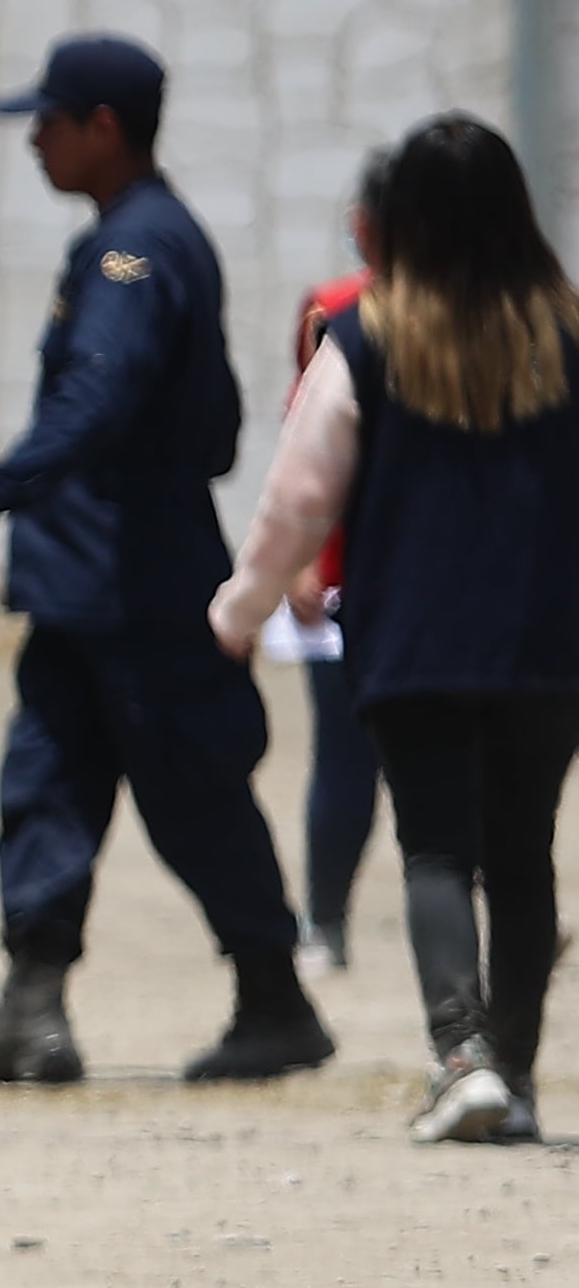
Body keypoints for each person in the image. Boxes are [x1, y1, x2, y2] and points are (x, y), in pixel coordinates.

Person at [0, 34, 322, 1087]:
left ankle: (273, 998)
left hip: (134, 583)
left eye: (49, 120)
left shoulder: (135, 252)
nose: (34, 140)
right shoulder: (149, 239)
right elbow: (214, 422)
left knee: (191, 788)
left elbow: (97, 399)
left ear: (102, 128)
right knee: (46, 783)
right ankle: (32, 1008)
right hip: (85, 584)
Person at [213, 115, 579, 1147]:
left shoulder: (367, 338)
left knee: (433, 850)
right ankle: (511, 1070)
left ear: (399, 219)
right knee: (521, 857)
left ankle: (456, 1058)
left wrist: (238, 608)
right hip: (546, 644)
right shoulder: (566, 331)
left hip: (413, 636)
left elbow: (298, 500)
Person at [284, 179, 386, 970]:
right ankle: (325, 921)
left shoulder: (487, 315)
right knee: (344, 754)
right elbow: (309, 450)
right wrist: (305, 561)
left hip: (441, 579)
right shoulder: (331, 310)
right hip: (351, 573)